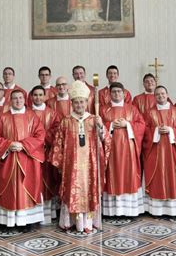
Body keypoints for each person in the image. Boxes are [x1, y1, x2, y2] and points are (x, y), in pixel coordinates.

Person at [49, 80, 111, 233]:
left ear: (86, 102)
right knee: (73, 190)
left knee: (90, 190)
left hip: (91, 164)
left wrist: (101, 127)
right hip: (72, 166)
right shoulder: (66, 121)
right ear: (72, 103)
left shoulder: (93, 119)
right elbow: (58, 143)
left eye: (82, 102)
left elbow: (106, 140)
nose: (79, 105)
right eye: (76, 103)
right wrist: (60, 163)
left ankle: (89, 223)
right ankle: (71, 222)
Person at [0, 90, 46, 227]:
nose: (18, 101)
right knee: (9, 188)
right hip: (8, 159)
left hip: (28, 159)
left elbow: (40, 135)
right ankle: (7, 220)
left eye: (20, 98)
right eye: (15, 98)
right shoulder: (2, 118)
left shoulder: (32, 116)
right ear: (10, 100)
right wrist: (8, 144)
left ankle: (27, 220)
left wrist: (23, 145)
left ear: (24, 99)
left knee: (27, 187)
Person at [101, 82, 145, 216]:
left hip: (128, 150)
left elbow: (142, 125)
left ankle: (129, 210)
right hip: (111, 150)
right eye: (113, 92)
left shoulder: (132, 109)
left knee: (128, 174)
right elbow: (97, 127)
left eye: (119, 91)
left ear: (124, 93)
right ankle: (111, 210)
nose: (116, 94)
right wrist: (110, 125)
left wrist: (128, 124)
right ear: (109, 94)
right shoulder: (103, 110)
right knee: (112, 175)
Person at [143, 86, 176, 216]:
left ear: (167, 94)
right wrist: (156, 131)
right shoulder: (149, 113)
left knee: (172, 176)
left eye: (162, 93)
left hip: (173, 152)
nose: (160, 96)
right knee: (156, 177)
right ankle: (156, 209)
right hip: (155, 151)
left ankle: (174, 208)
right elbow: (144, 130)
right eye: (157, 94)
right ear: (154, 96)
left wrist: (171, 130)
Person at [30, 86, 61, 224]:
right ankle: (33, 213)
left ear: (44, 97)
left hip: (47, 150)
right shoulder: (27, 112)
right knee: (33, 181)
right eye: (35, 95)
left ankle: (47, 214)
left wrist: (41, 139)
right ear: (31, 97)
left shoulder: (52, 113)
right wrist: (33, 142)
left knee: (47, 180)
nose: (37, 97)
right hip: (30, 153)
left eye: (40, 95)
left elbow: (57, 129)